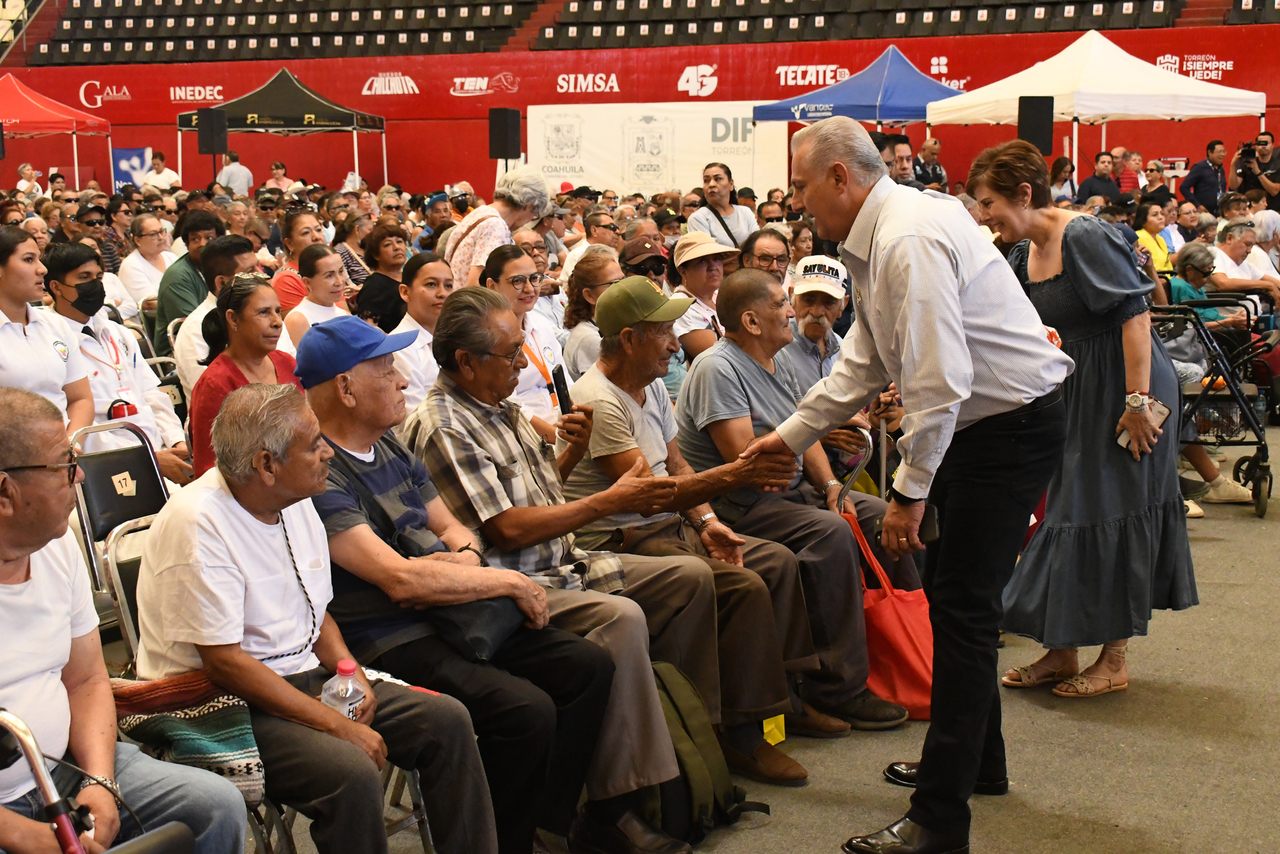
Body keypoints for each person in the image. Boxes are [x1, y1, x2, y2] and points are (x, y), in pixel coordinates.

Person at [738, 120, 1075, 854]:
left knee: (963, 614)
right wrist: (789, 437)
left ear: (839, 178)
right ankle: (976, 763)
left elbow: (938, 381)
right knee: (960, 610)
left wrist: (907, 493)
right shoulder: (884, 232)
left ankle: (939, 821)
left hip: (1003, 430)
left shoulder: (906, 237)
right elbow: (864, 362)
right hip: (988, 426)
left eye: (801, 186)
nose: (796, 202)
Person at [404, 286, 724, 854]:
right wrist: (605, 502)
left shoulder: (500, 406)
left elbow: (541, 495)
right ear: (466, 362)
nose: (522, 362)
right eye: (510, 353)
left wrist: (570, 454)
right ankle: (614, 805)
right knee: (621, 619)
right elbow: (506, 530)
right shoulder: (445, 424)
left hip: (562, 558)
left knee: (690, 579)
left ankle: (698, 743)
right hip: (511, 587)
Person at [135, 383, 498, 854]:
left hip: (303, 673)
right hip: (225, 702)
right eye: (313, 445)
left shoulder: (295, 496)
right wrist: (337, 725)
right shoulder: (198, 522)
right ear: (267, 465)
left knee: (447, 721)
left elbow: (316, 609)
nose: (328, 451)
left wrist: (353, 674)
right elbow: (225, 664)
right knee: (350, 770)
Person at [297, 319, 613, 854]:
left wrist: (460, 562)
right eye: (385, 368)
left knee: (587, 666)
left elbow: (456, 530)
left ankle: (545, 826)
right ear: (345, 388)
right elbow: (399, 580)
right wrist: (501, 578)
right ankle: (507, 842)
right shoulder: (322, 473)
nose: (402, 379)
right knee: (523, 710)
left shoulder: (390, 446)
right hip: (390, 636)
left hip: (453, 611)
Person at [565, 277, 847, 779]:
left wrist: (708, 520)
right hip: (621, 538)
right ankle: (735, 733)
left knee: (775, 561)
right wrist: (737, 475)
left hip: (668, 525)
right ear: (628, 339)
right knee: (742, 584)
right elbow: (649, 496)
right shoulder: (598, 399)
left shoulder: (649, 384)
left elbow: (677, 465)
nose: (676, 345)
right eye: (663, 333)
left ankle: (785, 703)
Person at [966, 141, 1193, 707]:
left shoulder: (1085, 236)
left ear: (1024, 194)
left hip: (1126, 384)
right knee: (1067, 510)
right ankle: (1061, 649)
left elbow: (1136, 318)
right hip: (1075, 386)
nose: (984, 215)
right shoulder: (1021, 253)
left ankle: (1113, 659)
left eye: (989, 203)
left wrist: (1137, 403)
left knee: (1113, 508)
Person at [0, 386, 246, 854]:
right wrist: (26, 836)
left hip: (65, 767)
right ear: (4, 492)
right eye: (64, 465)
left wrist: (100, 781)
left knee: (213, 806)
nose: (78, 477)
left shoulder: (56, 547)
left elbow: (87, 679)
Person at [675, 266, 912, 732]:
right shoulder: (717, 368)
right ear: (750, 321)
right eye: (781, 303)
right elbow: (747, 461)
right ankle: (838, 687)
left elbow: (803, 431)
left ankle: (904, 649)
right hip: (739, 504)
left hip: (790, 490)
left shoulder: (777, 359)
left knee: (881, 515)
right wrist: (809, 457)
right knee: (832, 533)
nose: (790, 312)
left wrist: (831, 488)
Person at [45, 243, 193, 483]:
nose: (95, 285)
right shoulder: (50, 343)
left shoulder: (117, 333)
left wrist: (175, 440)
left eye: (98, 277)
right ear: (56, 287)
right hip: (105, 465)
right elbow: (79, 428)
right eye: (84, 277)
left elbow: (150, 394)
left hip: (157, 450)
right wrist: (146, 457)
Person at [189, 275, 303, 476]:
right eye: (263, 312)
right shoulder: (215, 384)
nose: (277, 322)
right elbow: (210, 469)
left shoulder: (286, 363)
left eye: (277, 311)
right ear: (233, 319)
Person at [0, 227, 94, 439]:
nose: (42, 269)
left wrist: (72, 444)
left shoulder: (55, 324)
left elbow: (80, 399)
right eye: (28, 260)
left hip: (68, 445)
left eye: (39, 259)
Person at [174, 235, 259, 400]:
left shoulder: (268, 313)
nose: (262, 275)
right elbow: (212, 395)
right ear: (221, 283)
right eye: (250, 272)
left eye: (258, 266)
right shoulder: (195, 329)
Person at [445, 167, 550, 289]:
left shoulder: (479, 214)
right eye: (534, 213)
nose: (531, 218)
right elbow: (478, 285)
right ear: (528, 204)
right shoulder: (496, 226)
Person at [153, 210, 224, 357]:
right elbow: (194, 328)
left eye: (209, 238)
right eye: (195, 239)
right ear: (186, 244)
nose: (202, 243)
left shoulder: (219, 267)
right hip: (180, 352)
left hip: (216, 340)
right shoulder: (177, 277)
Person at [391, 252, 453, 418]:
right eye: (431, 284)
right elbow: (415, 417)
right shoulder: (400, 347)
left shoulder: (456, 337)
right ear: (405, 292)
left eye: (448, 285)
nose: (442, 293)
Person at [670, 231, 738, 364]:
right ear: (683, 271)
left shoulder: (720, 295)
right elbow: (719, 359)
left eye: (717, 259)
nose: (713, 267)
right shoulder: (680, 307)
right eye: (702, 261)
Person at [782, 255, 847, 393]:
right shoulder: (776, 350)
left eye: (828, 303)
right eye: (808, 300)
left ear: (843, 305)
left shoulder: (844, 351)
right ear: (792, 296)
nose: (816, 312)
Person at [562, 246, 623, 383]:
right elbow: (607, 388)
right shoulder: (588, 338)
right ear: (589, 296)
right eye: (613, 283)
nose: (623, 288)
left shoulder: (607, 326)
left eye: (623, 280)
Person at [281, 244, 350, 355]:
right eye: (329, 276)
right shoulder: (298, 320)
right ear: (308, 282)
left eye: (341, 271)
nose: (339, 282)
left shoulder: (345, 314)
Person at [271, 208, 328, 314]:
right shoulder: (286, 280)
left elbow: (344, 314)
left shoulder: (330, 268)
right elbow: (299, 323)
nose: (316, 237)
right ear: (290, 244)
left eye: (318, 230)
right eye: (306, 233)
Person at [1208, 219, 1280, 303]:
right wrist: (1267, 285)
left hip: (1254, 310)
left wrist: (1272, 286)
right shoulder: (1214, 253)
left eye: (1252, 246)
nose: (1249, 251)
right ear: (1229, 238)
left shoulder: (1245, 265)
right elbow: (1222, 283)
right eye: (1247, 244)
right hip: (1233, 311)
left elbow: (1275, 282)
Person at [687, 162, 757, 248]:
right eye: (706, 181)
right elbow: (706, 253)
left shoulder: (745, 212)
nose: (711, 184)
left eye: (718, 179)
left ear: (731, 184)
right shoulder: (698, 218)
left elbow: (756, 245)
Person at [355, 223, 409, 334]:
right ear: (376, 254)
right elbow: (368, 332)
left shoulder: (410, 276)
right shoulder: (373, 287)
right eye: (387, 244)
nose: (396, 247)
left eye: (399, 241)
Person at [117, 213, 176, 312]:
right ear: (137, 240)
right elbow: (150, 303)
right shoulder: (131, 265)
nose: (161, 237)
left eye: (162, 231)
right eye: (153, 234)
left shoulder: (171, 257)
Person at [559, 210, 620, 286]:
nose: (617, 231)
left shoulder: (613, 253)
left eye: (617, 228)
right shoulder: (577, 255)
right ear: (594, 230)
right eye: (612, 227)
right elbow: (572, 287)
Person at [1181, 140, 1228, 213]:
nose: (1222, 154)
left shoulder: (1221, 169)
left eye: (1224, 152)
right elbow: (1184, 187)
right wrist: (1197, 205)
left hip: (1219, 211)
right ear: (1210, 152)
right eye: (1219, 152)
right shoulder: (1199, 167)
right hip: (1204, 213)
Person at [334, 211, 374, 288]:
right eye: (370, 230)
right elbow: (345, 285)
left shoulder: (369, 249)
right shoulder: (339, 252)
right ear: (357, 229)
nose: (373, 233)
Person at [1135, 202, 1172, 276]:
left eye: (1162, 213)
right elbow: (1149, 269)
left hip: (1167, 278)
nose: (1160, 217)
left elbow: (1168, 266)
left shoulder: (1160, 238)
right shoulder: (1140, 236)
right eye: (1155, 215)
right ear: (1143, 221)